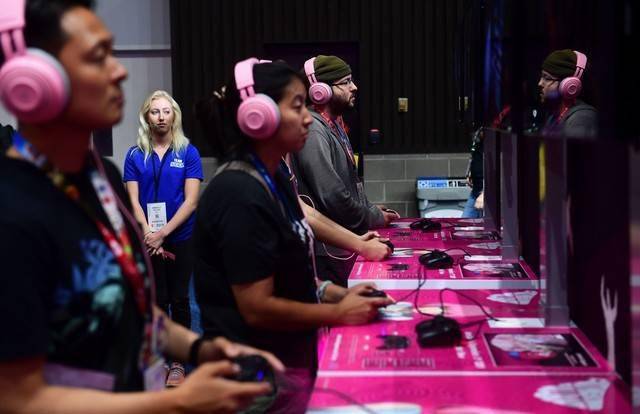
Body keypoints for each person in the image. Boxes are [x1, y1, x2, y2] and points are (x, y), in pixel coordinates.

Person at [0, 1, 281, 412]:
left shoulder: (103, 179)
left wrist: (201, 348)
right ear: (36, 80)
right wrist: (178, 402)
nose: (120, 71)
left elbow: (134, 312)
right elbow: (17, 398)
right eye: (99, 57)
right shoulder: (12, 210)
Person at [193, 58, 392, 413]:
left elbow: (290, 277)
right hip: (253, 384)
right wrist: (339, 313)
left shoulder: (273, 178)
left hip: (287, 368)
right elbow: (257, 308)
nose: (307, 118)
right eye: (297, 106)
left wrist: (338, 293)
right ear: (259, 116)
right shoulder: (238, 192)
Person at [289, 55, 398, 287]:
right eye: (346, 82)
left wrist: (369, 208)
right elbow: (333, 195)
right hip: (330, 252)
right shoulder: (315, 130)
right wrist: (372, 217)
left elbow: (348, 185)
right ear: (320, 91)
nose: (354, 87)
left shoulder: (334, 125)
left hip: (343, 245)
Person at [124, 90, 203, 386]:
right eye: (155, 111)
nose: (161, 117)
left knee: (180, 299)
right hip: (148, 239)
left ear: (174, 116)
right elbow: (133, 200)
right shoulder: (134, 155)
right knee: (156, 299)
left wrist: (163, 233)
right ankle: (158, 359)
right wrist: (148, 233)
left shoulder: (188, 152)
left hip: (180, 237)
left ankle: (178, 363)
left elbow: (191, 201)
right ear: (147, 116)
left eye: (166, 111)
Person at [538, 49, 597, 137]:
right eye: (541, 77)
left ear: (569, 84)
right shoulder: (554, 116)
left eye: (547, 78)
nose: (540, 83)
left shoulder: (582, 118)